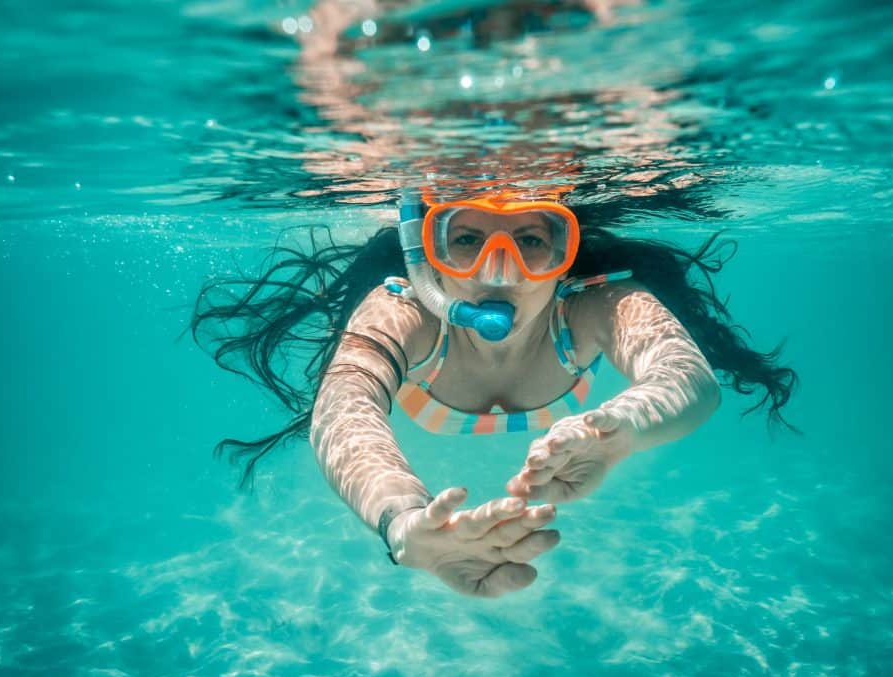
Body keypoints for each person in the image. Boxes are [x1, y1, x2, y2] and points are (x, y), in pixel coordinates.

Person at [191, 186, 798, 598]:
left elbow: (684, 376)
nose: (498, 269)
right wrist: (401, 523)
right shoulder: (405, 313)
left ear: (565, 255)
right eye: (465, 239)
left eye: (532, 241)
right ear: (424, 254)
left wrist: (620, 432)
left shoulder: (594, 304)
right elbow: (343, 411)